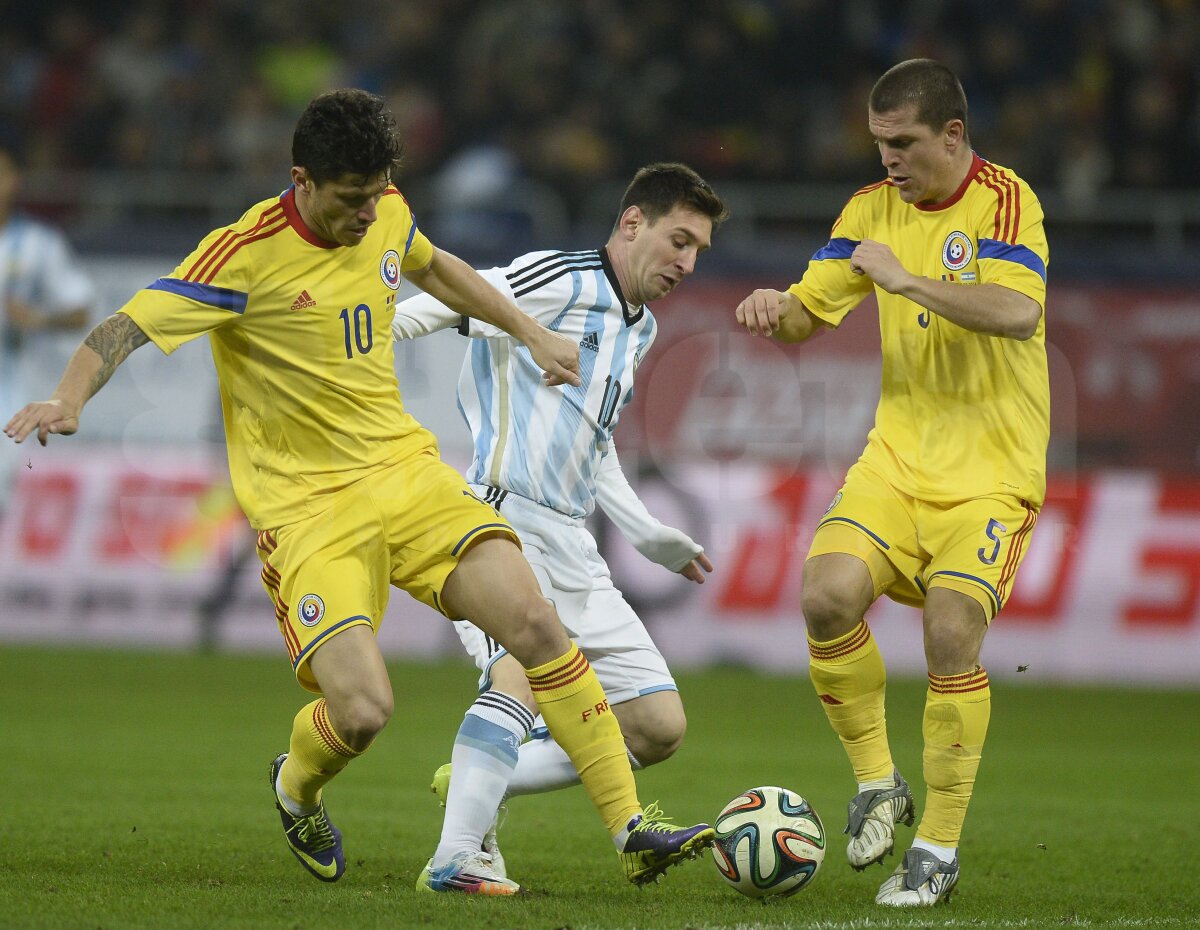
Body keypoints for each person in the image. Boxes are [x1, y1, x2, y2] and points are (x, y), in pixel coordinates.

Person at [4, 89, 714, 892]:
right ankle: (294, 787)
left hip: (405, 473)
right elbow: (123, 326)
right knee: (363, 712)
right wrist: (68, 398)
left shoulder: (384, 208)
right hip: (308, 512)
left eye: (377, 193)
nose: (366, 213)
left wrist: (529, 331)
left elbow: (437, 267)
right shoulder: (242, 254)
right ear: (302, 180)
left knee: (536, 625)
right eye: (350, 199)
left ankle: (629, 828)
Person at [735, 59, 1049, 907]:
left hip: (990, 475)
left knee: (952, 631)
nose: (888, 161)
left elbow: (1020, 312)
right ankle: (878, 782)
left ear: (952, 135)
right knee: (825, 596)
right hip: (897, 461)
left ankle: (937, 850)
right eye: (878, 144)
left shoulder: (1006, 202)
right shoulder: (868, 212)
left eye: (903, 143)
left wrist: (909, 279)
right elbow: (812, 311)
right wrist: (778, 311)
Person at [391, 162, 727, 893]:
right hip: (498, 519)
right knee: (521, 672)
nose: (686, 263)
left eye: (698, 250)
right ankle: (454, 857)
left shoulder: (643, 329)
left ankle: (481, 782)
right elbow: (450, 300)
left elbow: (594, 436)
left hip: (574, 539)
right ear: (632, 222)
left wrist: (643, 530)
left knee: (658, 726)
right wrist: (370, 335)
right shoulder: (561, 276)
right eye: (678, 240)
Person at [0, 141, 94, 513]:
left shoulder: (38, 244)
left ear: (15, 181)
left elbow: (80, 310)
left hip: (9, 385)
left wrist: (37, 318)